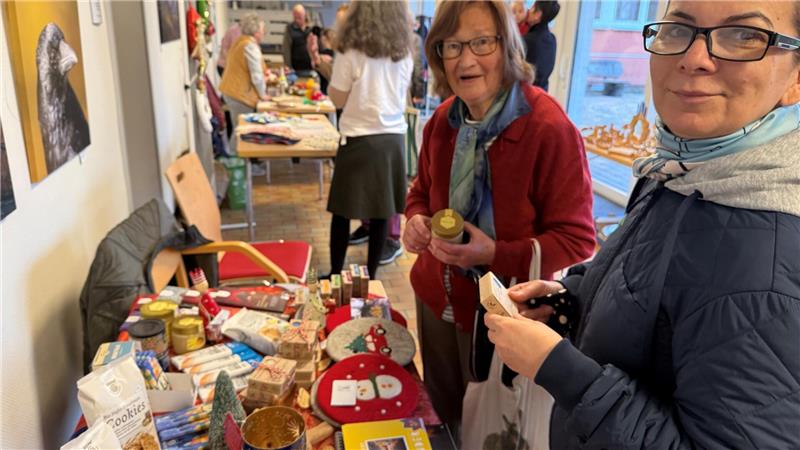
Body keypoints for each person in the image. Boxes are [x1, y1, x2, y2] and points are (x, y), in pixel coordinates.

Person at [486, 1, 800, 448]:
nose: (694, 57)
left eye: (744, 36)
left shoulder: (768, 261)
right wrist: (572, 296)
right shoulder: (683, 167)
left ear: (796, 77)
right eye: (679, 29)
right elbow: (653, 284)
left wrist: (559, 369)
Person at [401, 0, 595, 440]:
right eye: (452, 46)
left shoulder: (548, 128)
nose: (465, 60)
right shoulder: (442, 121)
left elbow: (578, 240)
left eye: (481, 42)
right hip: (435, 301)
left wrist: (493, 253)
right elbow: (420, 193)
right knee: (444, 417)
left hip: (503, 315)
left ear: (508, 46)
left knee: (490, 431)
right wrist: (415, 219)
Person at [326, 1, 414, 279]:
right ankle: (371, 277)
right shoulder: (404, 52)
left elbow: (337, 99)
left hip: (359, 139)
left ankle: (335, 273)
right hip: (392, 140)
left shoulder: (350, 50)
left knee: (342, 212)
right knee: (381, 212)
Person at [219, 13, 269, 156]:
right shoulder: (249, 46)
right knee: (242, 131)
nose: (263, 32)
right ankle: (237, 162)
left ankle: (235, 160)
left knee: (238, 129)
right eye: (262, 29)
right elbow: (256, 76)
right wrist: (263, 95)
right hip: (240, 95)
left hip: (232, 92)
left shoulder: (240, 42)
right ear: (255, 31)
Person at [523, 0, 560, 91]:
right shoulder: (552, 39)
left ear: (538, 14)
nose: (529, 10)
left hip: (525, 95)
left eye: (532, 7)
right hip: (542, 93)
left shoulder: (527, 40)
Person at [282, 4, 313, 75]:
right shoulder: (289, 28)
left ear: (304, 15)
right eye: (295, 18)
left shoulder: (311, 28)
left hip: (311, 67)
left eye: (299, 17)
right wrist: (288, 66)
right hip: (295, 68)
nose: (297, 20)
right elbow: (286, 49)